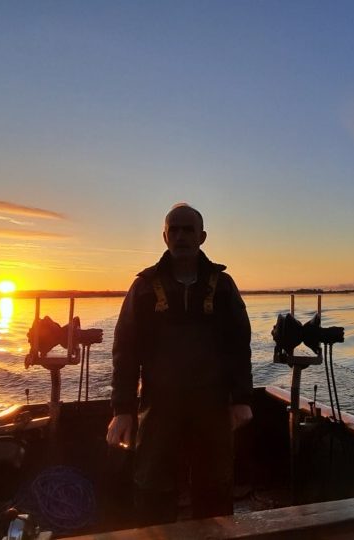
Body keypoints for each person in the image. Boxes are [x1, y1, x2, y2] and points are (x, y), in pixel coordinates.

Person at [106, 203, 253, 525]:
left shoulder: (223, 285)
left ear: (202, 236)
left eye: (188, 229)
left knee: (215, 485)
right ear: (164, 236)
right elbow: (125, 351)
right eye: (174, 229)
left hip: (212, 404)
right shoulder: (143, 286)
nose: (181, 235)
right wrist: (122, 410)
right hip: (159, 404)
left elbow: (239, 346)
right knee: (151, 484)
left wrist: (241, 399)